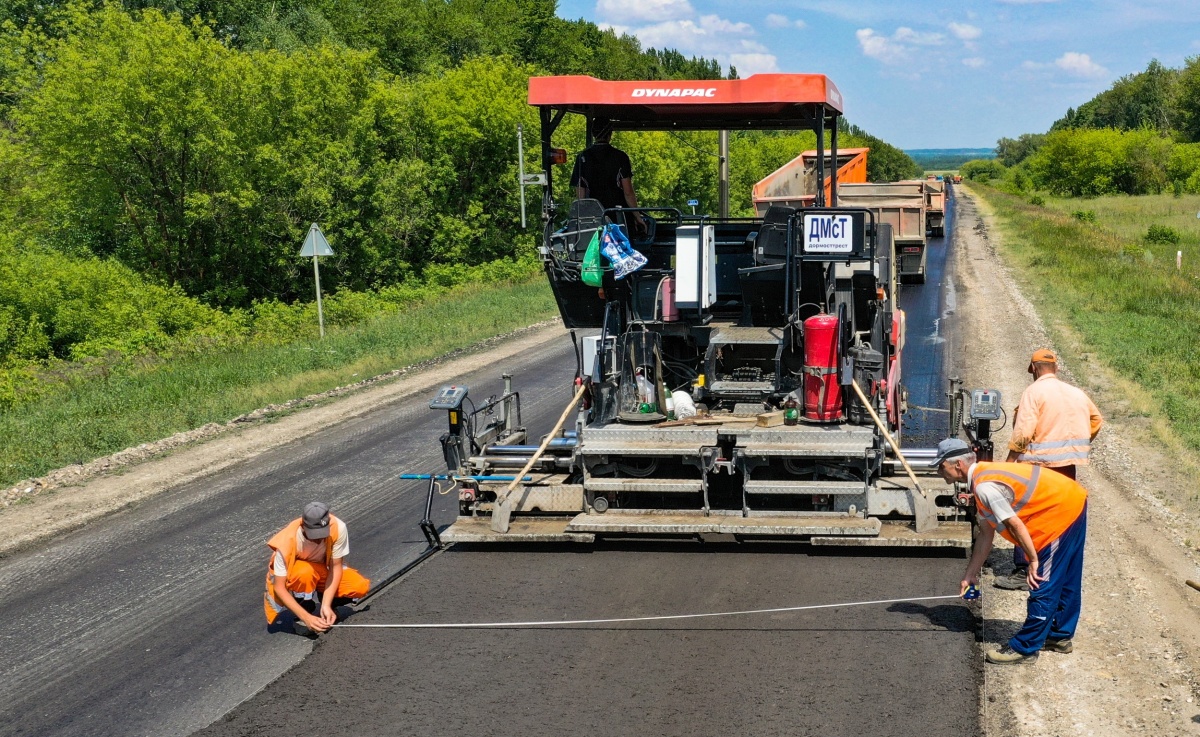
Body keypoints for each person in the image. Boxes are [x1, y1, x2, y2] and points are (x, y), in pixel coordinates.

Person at [935, 438, 1088, 665]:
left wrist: (1033, 560)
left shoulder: (985, 487)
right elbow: (986, 535)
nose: (939, 471)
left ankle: (1025, 648)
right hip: (1072, 500)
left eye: (941, 466)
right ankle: (1059, 636)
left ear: (957, 465)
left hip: (1059, 512)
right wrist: (971, 574)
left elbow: (1015, 525)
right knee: (1065, 578)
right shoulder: (983, 478)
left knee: (1041, 581)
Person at [996, 348, 1102, 590]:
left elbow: (1023, 431)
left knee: (1027, 513)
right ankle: (1054, 565)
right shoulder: (1076, 392)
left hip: (1038, 466)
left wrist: (1010, 462)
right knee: (1060, 513)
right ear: (1057, 368)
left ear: (1033, 368)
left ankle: (1025, 569)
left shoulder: (1034, 392)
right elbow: (1096, 419)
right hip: (1067, 466)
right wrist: (1079, 443)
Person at [263, 501, 370, 636]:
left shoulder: (338, 527)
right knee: (304, 572)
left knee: (358, 586)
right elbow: (279, 588)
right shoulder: (286, 542)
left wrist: (326, 604)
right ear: (303, 527)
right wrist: (307, 618)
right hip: (298, 576)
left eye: (322, 534)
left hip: (322, 571)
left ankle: (328, 607)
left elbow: (335, 567)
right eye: (314, 536)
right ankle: (303, 614)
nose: (319, 540)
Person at [570, 117, 646, 235]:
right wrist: (638, 217)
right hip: (619, 218)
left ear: (593, 133)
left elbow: (581, 196)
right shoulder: (620, 157)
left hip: (594, 218)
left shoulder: (582, 158)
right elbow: (628, 192)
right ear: (610, 134)